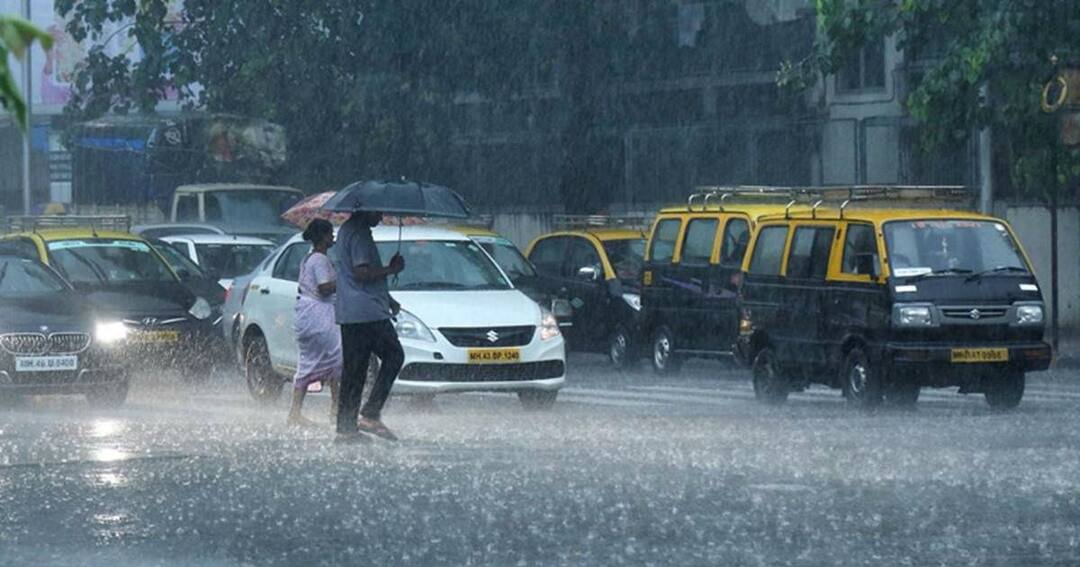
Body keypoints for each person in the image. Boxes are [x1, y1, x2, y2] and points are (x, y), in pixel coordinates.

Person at [333, 210, 405, 442]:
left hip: (351, 311)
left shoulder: (346, 230)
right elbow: (361, 272)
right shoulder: (360, 233)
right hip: (367, 312)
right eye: (378, 212)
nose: (382, 217)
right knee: (394, 355)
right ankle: (371, 413)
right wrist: (391, 270)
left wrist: (388, 299)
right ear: (365, 208)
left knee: (354, 371)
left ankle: (345, 427)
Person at [288, 219, 342, 426]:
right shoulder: (319, 260)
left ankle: (295, 412)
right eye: (330, 234)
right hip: (318, 316)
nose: (333, 237)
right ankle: (336, 409)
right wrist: (344, 279)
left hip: (307, 316)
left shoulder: (308, 258)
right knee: (338, 360)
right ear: (323, 237)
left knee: (308, 363)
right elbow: (324, 288)